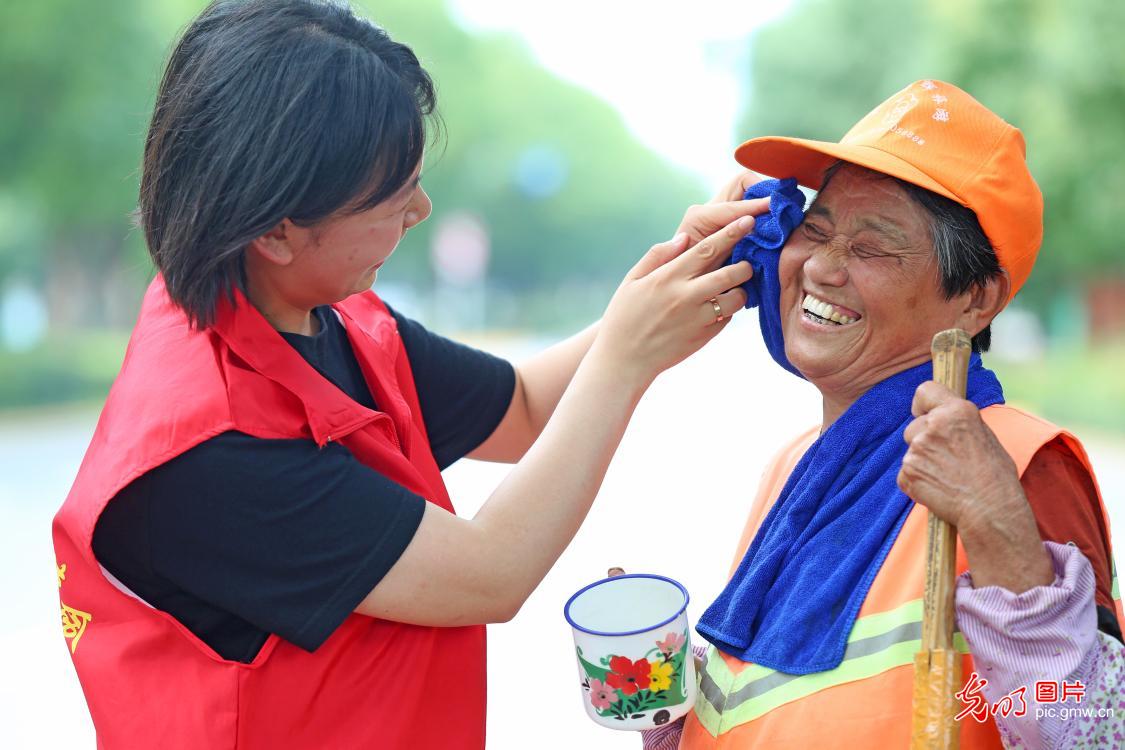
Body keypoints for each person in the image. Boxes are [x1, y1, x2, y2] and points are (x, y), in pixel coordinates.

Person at [50, 1, 766, 748]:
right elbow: (491, 573)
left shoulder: (326, 317)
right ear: (273, 228)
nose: (421, 210)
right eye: (394, 198)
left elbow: (519, 410)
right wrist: (627, 356)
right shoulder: (204, 451)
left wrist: (678, 273)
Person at [640, 81, 1123, 749]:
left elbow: (1097, 731)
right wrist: (669, 706)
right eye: (815, 229)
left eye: (871, 249)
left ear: (974, 301)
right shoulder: (795, 463)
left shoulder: (1015, 464)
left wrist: (1001, 535)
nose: (823, 268)